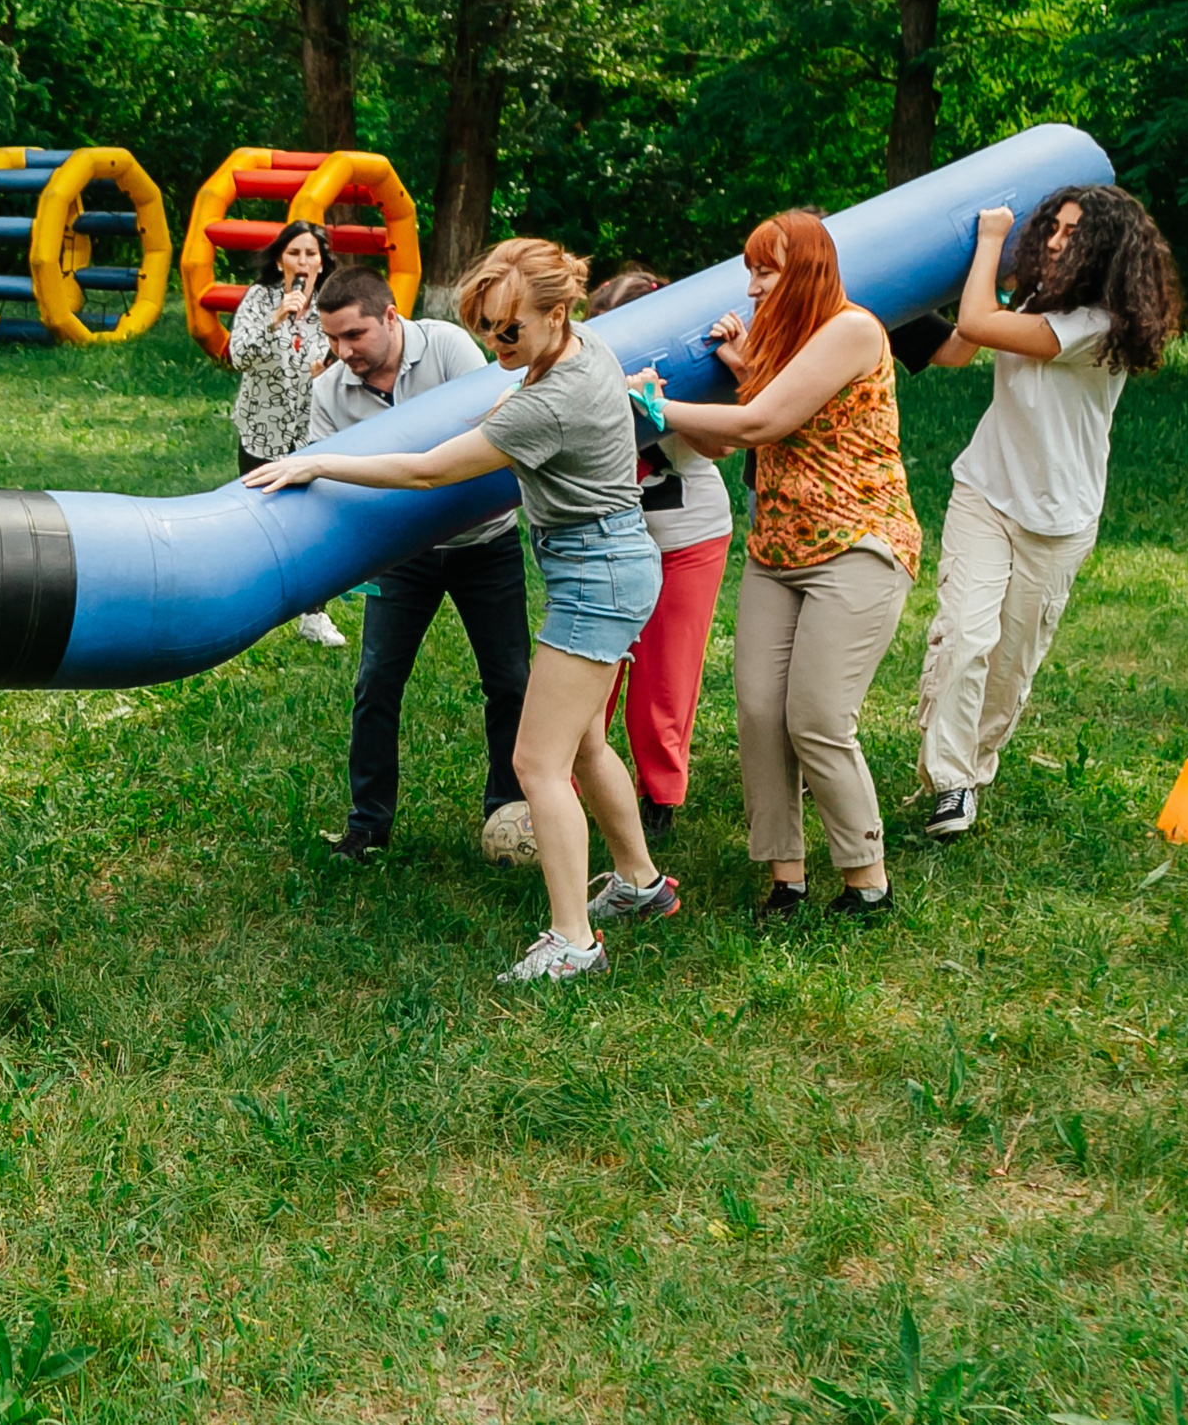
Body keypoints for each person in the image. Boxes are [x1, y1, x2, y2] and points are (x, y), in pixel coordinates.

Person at [248, 239, 673, 984]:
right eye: (485, 329)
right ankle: (641, 885)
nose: (494, 343)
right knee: (583, 744)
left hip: (596, 577)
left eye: (510, 329)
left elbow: (426, 470)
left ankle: (574, 941)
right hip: (612, 564)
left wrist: (320, 459)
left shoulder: (549, 398)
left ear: (557, 311)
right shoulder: (582, 349)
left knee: (536, 761)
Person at [639, 209, 921, 920]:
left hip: (858, 543)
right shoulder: (784, 339)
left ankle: (867, 880)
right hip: (778, 548)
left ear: (809, 269)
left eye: (767, 271)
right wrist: (741, 364)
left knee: (818, 716)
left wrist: (655, 407)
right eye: (751, 273)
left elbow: (764, 423)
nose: (755, 288)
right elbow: (762, 409)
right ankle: (786, 877)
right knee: (762, 713)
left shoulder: (854, 329)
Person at [914, 187, 1177, 840]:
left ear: (1105, 252)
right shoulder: (1038, 297)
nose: (1056, 241)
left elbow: (975, 322)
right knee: (964, 637)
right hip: (985, 489)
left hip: (1059, 519)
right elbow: (971, 319)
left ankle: (975, 766)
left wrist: (990, 238)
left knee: (1009, 663)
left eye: (1072, 234)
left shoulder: (1096, 325)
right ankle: (948, 781)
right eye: (1051, 228)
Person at [305, 266, 530, 863]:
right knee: (375, 683)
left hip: (485, 543)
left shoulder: (449, 347)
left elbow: (487, 437)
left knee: (509, 680)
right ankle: (368, 826)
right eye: (331, 339)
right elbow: (337, 487)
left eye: (353, 335)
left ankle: (510, 814)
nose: (342, 351)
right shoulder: (329, 392)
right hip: (402, 554)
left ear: (389, 316)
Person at [584, 267, 733, 844]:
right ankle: (573, 784)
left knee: (664, 679)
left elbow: (721, 443)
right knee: (592, 669)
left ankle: (659, 798)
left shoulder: (691, 369)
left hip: (686, 538)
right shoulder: (587, 367)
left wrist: (661, 402)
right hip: (605, 543)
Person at [229, 220, 346, 647]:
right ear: (280, 260)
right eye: (294, 253)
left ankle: (314, 614)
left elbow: (350, 357)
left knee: (313, 525)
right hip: (262, 428)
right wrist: (277, 319)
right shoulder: (260, 299)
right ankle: (252, 606)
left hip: (313, 431)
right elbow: (238, 356)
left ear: (322, 261)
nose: (303, 262)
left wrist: (328, 371)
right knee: (258, 519)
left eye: (311, 254)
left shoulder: (333, 303)